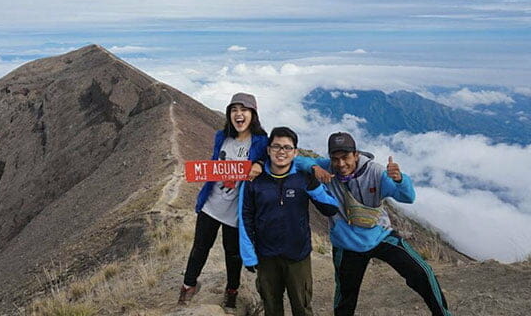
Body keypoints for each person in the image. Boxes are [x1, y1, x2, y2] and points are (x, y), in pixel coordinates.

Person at [301, 131, 451, 316]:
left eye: (346, 157)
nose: (340, 164)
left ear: (356, 154)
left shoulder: (375, 172)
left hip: (381, 235)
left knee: (422, 272)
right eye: (335, 159)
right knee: (346, 297)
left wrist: (400, 179)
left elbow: (408, 197)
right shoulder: (326, 168)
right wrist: (314, 166)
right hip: (347, 243)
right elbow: (297, 160)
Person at [178, 92, 268, 312]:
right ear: (229, 114)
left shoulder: (260, 142)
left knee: (232, 254)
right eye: (234, 110)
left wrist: (260, 164)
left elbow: (274, 159)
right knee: (200, 247)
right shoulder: (221, 136)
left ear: (253, 114)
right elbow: (214, 162)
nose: (239, 114)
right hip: (211, 203)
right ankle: (188, 285)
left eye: (244, 110)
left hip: (235, 210)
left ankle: (232, 292)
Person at [238, 127, 339, 316]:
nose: (281, 152)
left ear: (295, 152)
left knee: (302, 306)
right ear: (268, 150)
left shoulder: (304, 178)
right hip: (266, 256)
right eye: (276, 146)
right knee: (271, 307)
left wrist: (314, 187)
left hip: (298, 256)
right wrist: (249, 255)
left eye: (287, 147)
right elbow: (245, 217)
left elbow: (330, 208)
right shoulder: (254, 180)